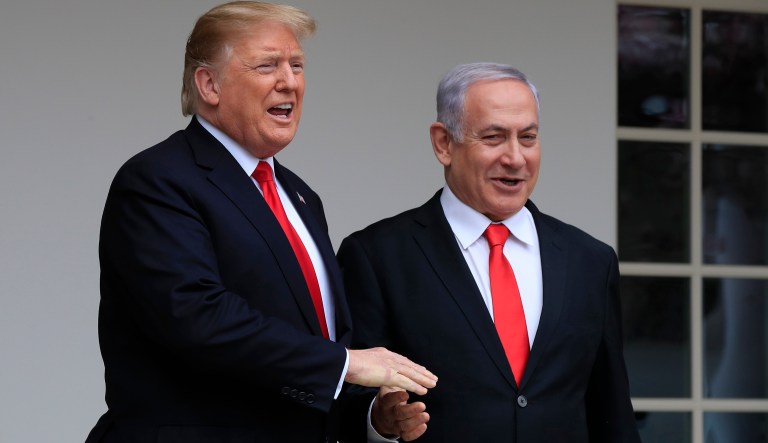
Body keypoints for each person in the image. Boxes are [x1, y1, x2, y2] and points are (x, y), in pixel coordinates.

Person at [85, 2, 436, 442]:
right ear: (209, 84)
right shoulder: (158, 180)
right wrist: (346, 365)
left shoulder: (301, 197)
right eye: (267, 65)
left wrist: (370, 416)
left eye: (297, 65)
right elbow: (197, 316)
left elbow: (319, 342)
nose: (289, 81)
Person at [337, 62, 641, 442]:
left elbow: (611, 410)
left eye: (527, 138)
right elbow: (345, 395)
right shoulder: (376, 256)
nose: (515, 158)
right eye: (494, 138)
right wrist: (380, 421)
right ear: (443, 143)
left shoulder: (590, 261)